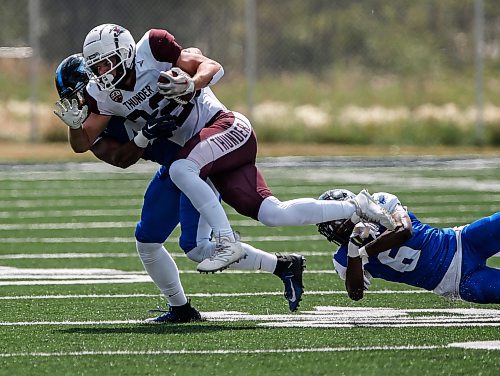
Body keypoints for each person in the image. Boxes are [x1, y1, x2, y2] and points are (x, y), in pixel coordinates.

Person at [55, 25, 393, 275]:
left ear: (127, 53)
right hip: (209, 151)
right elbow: (85, 143)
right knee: (274, 214)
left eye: (107, 64)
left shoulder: (152, 48)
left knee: (181, 169)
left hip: (226, 127)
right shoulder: (103, 97)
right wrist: (74, 124)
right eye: (96, 67)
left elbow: (210, 66)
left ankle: (228, 240)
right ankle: (357, 206)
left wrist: (191, 83)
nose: (102, 73)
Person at [54, 53, 306, 316]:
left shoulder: (130, 82)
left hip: (199, 162)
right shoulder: (97, 121)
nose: (80, 101)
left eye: (80, 93)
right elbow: (117, 158)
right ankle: (180, 308)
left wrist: (186, 79)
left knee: (196, 247)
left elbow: (187, 64)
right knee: (147, 242)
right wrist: (144, 136)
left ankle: (282, 265)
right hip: (174, 169)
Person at [316, 188, 500, 304]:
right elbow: (355, 294)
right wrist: (353, 249)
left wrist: (364, 251)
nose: (334, 230)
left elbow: (404, 230)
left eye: (333, 222)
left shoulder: (380, 202)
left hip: (462, 240)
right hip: (457, 280)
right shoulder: (344, 259)